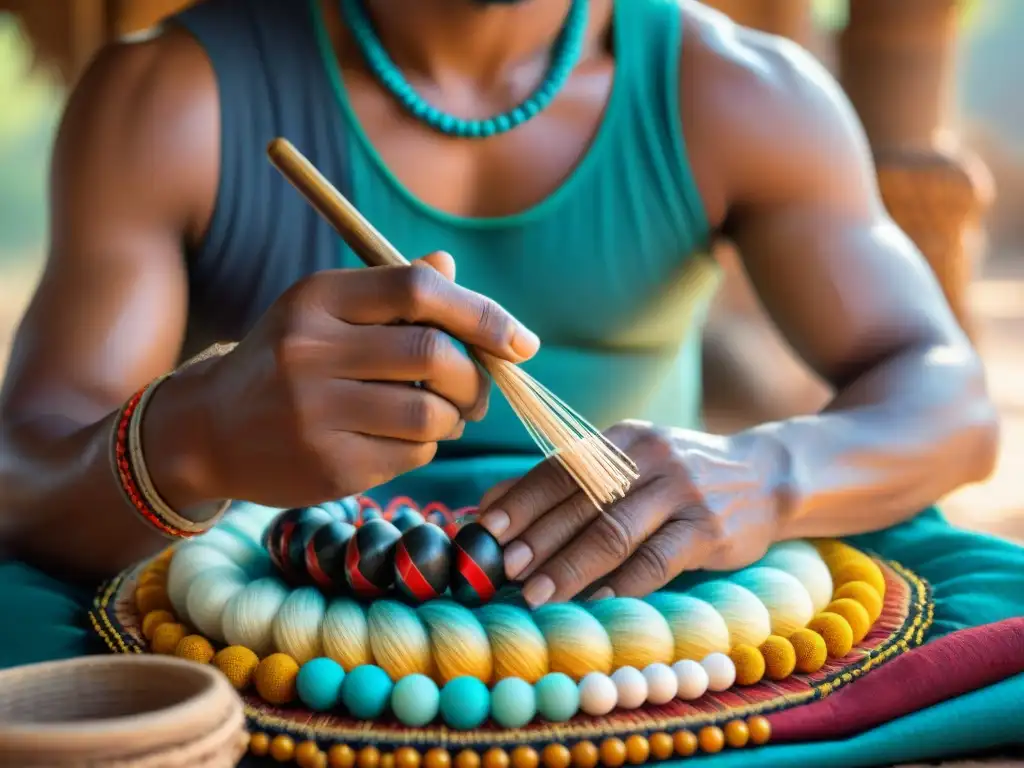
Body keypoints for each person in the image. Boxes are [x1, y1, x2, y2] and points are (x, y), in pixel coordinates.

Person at [1, 0, 1022, 762]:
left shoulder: (737, 90)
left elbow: (948, 400)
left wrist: (768, 474)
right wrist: (200, 434)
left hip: (649, 630)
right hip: (279, 612)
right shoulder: (172, 96)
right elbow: (24, 475)